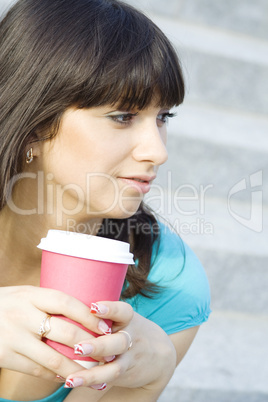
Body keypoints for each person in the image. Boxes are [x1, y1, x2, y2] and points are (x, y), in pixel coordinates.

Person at [0, 0, 211, 401]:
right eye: (122, 115)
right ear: (33, 125)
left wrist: (151, 379)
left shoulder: (169, 286)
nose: (158, 152)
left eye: (163, 117)